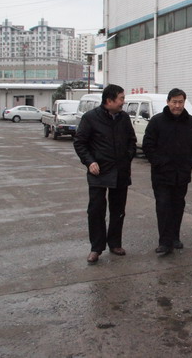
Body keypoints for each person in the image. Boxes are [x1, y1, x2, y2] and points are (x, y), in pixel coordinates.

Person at [73, 84, 137, 264]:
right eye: (121, 99)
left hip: (120, 172)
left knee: (118, 210)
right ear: (109, 101)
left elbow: (132, 141)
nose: (123, 102)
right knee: (96, 211)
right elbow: (80, 143)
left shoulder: (124, 118)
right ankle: (96, 248)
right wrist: (90, 162)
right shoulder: (90, 118)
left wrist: (128, 157)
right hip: (99, 172)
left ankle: (115, 243)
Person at [143, 88, 192, 256]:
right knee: (163, 206)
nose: (177, 105)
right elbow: (148, 145)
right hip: (161, 174)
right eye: (174, 102)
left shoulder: (190, 122)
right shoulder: (157, 121)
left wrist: (191, 163)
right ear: (168, 102)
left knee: (178, 205)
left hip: (182, 174)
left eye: (180, 102)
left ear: (184, 103)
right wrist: (159, 162)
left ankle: (175, 237)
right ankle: (164, 242)